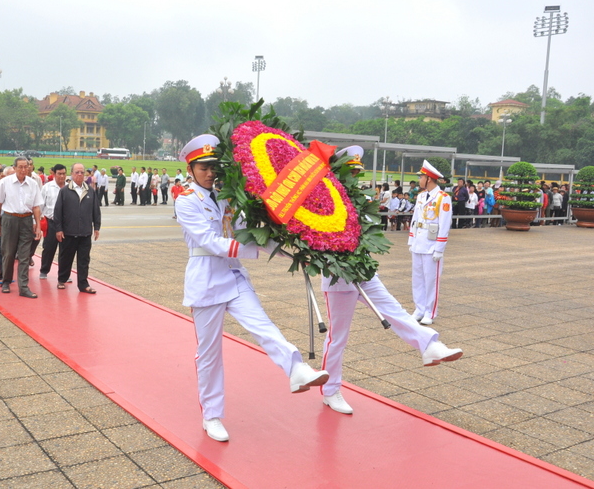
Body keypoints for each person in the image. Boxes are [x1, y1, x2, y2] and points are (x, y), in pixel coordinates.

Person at [175, 134, 328, 442]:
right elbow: (211, 243)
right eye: (202, 167)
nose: (209, 172)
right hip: (205, 280)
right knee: (209, 354)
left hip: (233, 276)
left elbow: (249, 233)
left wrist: (289, 249)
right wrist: (255, 250)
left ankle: (296, 369)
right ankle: (212, 415)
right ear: (190, 170)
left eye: (213, 166)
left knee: (263, 325)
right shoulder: (186, 201)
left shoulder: (228, 197)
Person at [320, 147, 462, 414]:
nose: (355, 178)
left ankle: (430, 345)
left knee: (394, 310)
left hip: (363, 270)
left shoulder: (360, 200)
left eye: (357, 173)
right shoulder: (324, 200)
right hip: (338, 276)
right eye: (350, 173)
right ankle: (330, 390)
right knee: (338, 338)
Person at [409, 160, 452, 325]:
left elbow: (444, 224)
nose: (419, 179)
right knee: (417, 278)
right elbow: (415, 220)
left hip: (432, 245)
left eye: (421, 177)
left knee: (431, 279)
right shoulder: (420, 196)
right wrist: (411, 240)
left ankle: (430, 312)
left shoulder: (443, 198)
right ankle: (419, 309)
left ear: (429, 179)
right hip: (419, 243)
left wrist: (439, 249)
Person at [0, 157, 42, 298]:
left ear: (29, 168)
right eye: (20, 167)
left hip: (26, 220)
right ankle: (6, 281)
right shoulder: (5, 182)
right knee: (8, 253)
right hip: (9, 219)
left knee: (24, 255)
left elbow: (36, 206)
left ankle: (24, 287)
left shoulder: (33, 184)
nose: (23, 170)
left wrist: (38, 225)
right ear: (14, 168)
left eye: (25, 167)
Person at [53, 163, 101, 293]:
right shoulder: (64, 191)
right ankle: (62, 279)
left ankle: (83, 284)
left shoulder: (90, 191)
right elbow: (58, 211)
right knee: (65, 258)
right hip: (68, 232)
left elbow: (96, 210)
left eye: (82, 172)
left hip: (85, 233)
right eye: (77, 172)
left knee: (84, 260)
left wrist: (96, 227)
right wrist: (59, 229)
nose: (80, 174)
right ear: (72, 174)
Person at [39, 164, 68, 280]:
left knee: (65, 250)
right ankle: (44, 270)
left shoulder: (70, 187)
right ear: (54, 174)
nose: (62, 176)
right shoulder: (47, 187)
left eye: (64, 174)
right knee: (49, 248)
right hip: (51, 222)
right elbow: (41, 205)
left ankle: (64, 274)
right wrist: (38, 220)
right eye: (59, 174)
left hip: (66, 224)